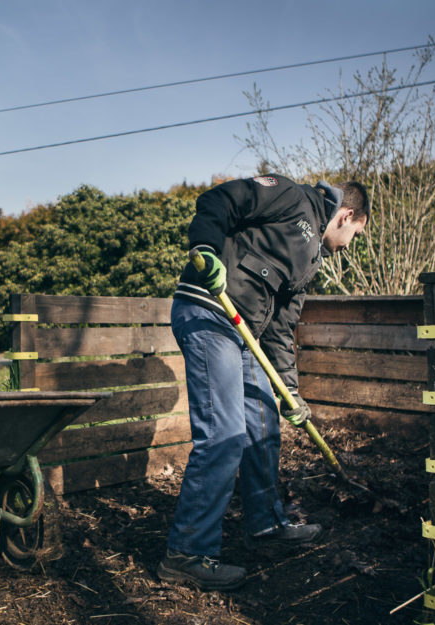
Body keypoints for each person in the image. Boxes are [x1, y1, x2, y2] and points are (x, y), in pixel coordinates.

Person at [156, 174, 370, 591]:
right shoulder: (291, 196)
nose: (351, 245)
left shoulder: (311, 261)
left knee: (263, 425)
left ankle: (267, 525)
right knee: (225, 433)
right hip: (209, 311)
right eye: (356, 235)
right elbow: (220, 200)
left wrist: (290, 391)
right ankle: (187, 554)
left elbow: (281, 330)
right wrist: (205, 249)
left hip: (246, 333)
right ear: (346, 215)